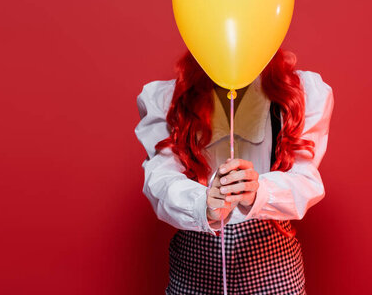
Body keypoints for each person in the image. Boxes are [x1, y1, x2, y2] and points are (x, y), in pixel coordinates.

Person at [134, 48, 334, 295]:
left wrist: (259, 191)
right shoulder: (169, 99)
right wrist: (203, 204)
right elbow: (160, 180)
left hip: (272, 269)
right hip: (194, 272)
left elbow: (306, 180)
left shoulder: (299, 92)